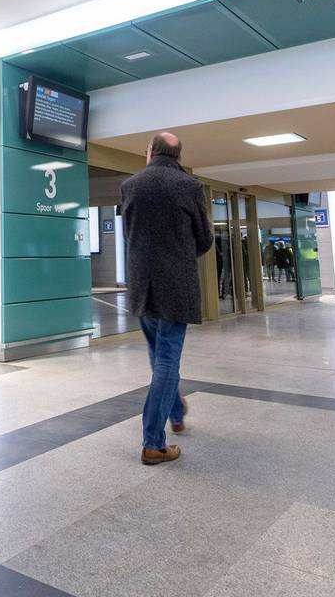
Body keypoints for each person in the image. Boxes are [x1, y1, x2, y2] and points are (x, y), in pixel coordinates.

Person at [120, 132, 213, 466]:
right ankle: (153, 443)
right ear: (178, 156)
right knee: (167, 360)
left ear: (150, 153)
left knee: (158, 355)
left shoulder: (130, 186)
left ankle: (175, 410)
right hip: (176, 286)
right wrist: (180, 253)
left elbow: (128, 235)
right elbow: (204, 239)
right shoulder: (190, 186)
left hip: (143, 285)